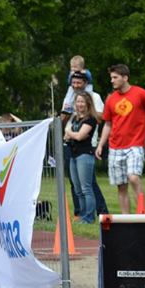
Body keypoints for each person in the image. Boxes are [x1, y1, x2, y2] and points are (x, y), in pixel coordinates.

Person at [95, 64, 145, 214]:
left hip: (135, 145)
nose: (112, 81)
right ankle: (126, 220)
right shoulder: (111, 99)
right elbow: (107, 123)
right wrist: (101, 144)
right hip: (115, 147)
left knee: (133, 177)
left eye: (115, 77)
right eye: (111, 78)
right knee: (121, 186)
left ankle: (141, 213)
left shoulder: (140, 93)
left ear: (125, 78)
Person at [62, 71, 109, 216]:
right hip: (70, 144)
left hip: (87, 144)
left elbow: (101, 117)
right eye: (73, 83)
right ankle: (79, 213)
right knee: (76, 185)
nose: (76, 85)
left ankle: (101, 211)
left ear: (86, 83)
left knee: (88, 184)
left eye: (79, 82)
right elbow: (65, 120)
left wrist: (87, 112)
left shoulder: (94, 97)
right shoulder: (69, 97)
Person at [63, 93, 101, 223]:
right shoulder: (75, 119)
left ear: (88, 104)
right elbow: (68, 137)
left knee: (86, 188)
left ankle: (89, 217)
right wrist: (73, 134)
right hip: (73, 155)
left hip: (84, 155)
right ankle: (82, 215)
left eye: (82, 102)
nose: (79, 104)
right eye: (78, 102)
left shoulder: (91, 119)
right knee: (78, 189)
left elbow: (79, 136)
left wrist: (70, 133)